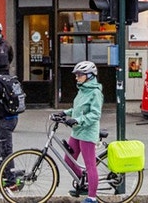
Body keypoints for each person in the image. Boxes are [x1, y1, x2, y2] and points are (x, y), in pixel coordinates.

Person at [57, 62, 102, 203]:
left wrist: (77, 120)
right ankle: (84, 181)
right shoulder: (82, 90)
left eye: (79, 75)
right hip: (77, 131)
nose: (77, 78)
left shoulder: (95, 92)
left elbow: (95, 114)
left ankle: (92, 197)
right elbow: (77, 108)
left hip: (87, 132)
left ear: (89, 75)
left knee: (90, 165)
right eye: (76, 75)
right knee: (68, 160)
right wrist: (65, 112)